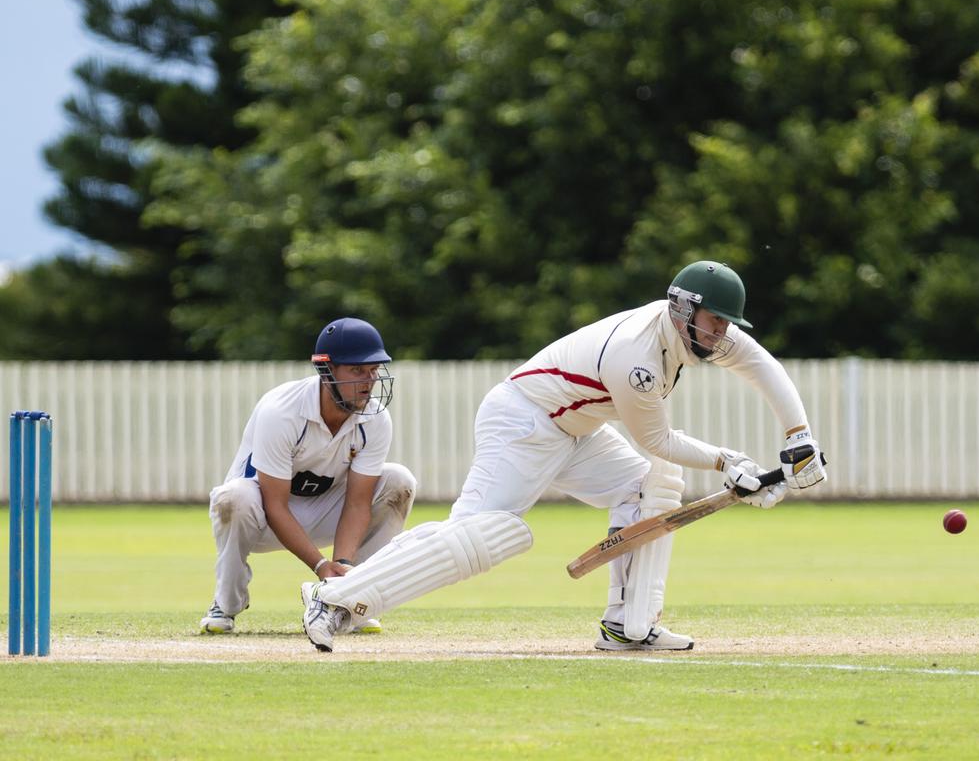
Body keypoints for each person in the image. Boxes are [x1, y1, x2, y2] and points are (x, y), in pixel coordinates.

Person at [299, 262, 826, 652]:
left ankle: (629, 625)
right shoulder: (636, 358)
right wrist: (729, 461)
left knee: (650, 485)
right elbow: (659, 439)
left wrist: (797, 435)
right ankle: (335, 598)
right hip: (525, 420)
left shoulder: (699, 333)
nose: (721, 335)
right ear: (683, 310)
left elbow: (760, 364)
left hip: (577, 427)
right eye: (715, 322)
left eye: (726, 325)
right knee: (484, 533)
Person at [199, 317, 417, 635]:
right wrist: (319, 565)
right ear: (327, 371)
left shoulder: (376, 419)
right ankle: (226, 604)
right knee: (234, 497)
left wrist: (340, 567)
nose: (369, 381)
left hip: (326, 511)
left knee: (399, 481)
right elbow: (274, 505)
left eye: (374, 370)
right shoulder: (282, 411)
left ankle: (355, 600)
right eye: (357, 370)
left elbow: (357, 503)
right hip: (258, 516)